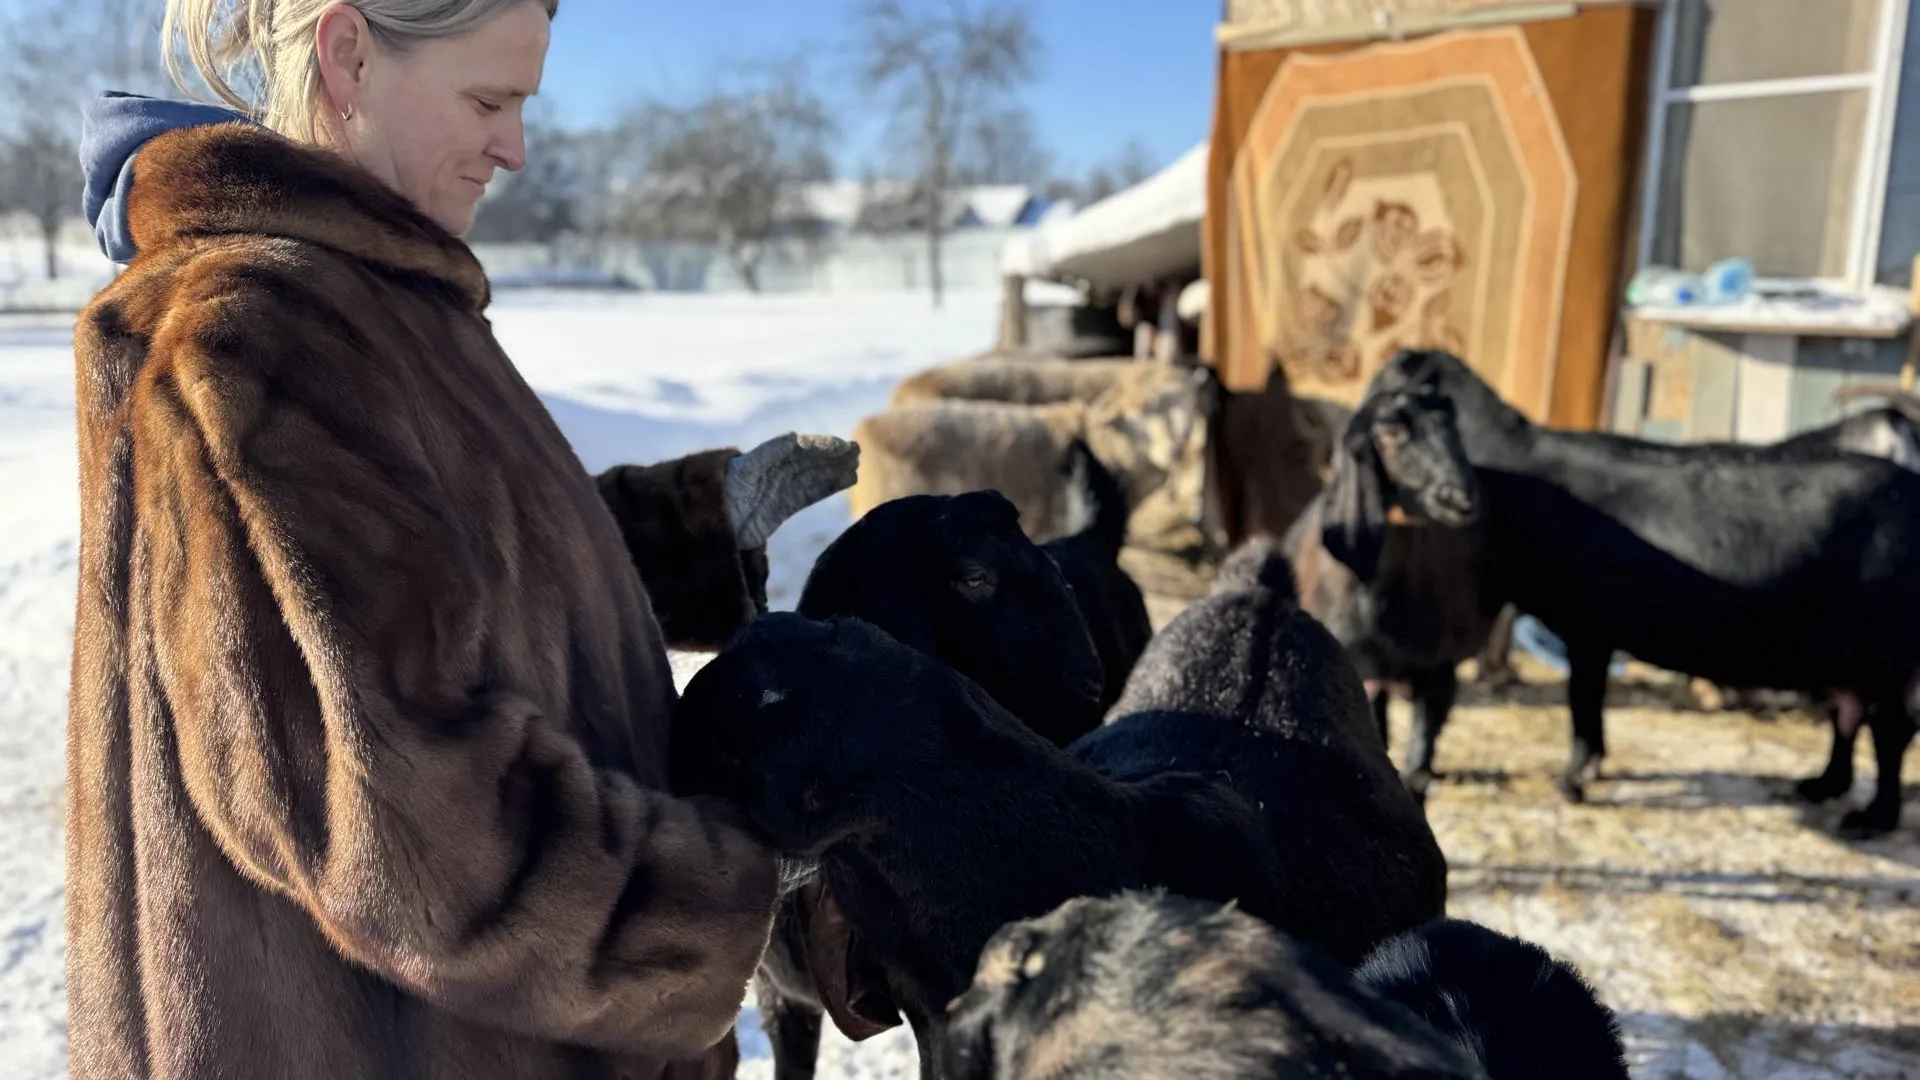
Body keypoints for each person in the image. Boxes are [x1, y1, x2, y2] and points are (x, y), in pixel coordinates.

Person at [65, 1, 856, 1077]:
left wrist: (688, 534)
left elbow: (417, 571)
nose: (515, 149)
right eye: (488, 100)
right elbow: (400, 814)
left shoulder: (364, 296)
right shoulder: (262, 331)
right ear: (349, 55)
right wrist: (727, 896)